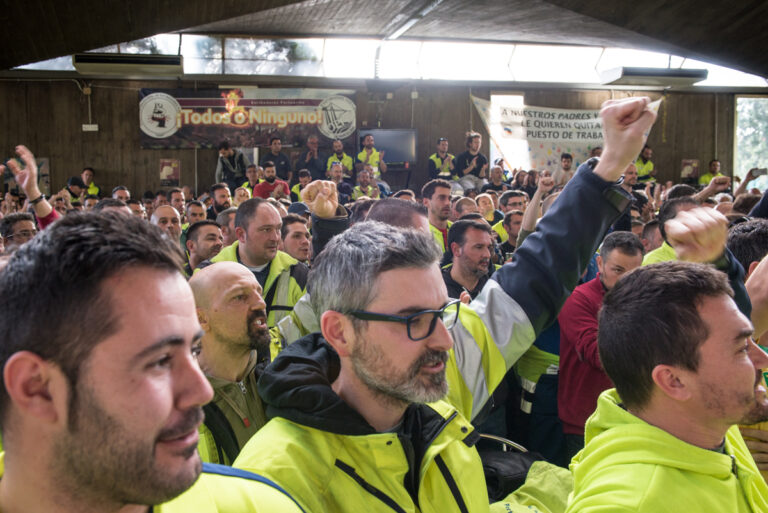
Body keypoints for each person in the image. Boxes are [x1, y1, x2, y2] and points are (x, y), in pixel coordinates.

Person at [233, 96, 659, 512]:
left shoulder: (435, 377)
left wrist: (607, 168)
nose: (445, 339)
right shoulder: (276, 478)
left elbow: (532, 280)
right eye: (414, 320)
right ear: (339, 332)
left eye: (440, 312)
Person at [0, 211, 304, 513]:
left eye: (194, 350)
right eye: (159, 361)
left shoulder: (258, 504)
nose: (203, 392)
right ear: (36, 388)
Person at [566, 261, 768, 512]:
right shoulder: (629, 503)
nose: (763, 360)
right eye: (742, 349)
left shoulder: (706, 421)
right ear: (674, 381)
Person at [558, 231, 646, 459]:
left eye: (634, 272)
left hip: (634, 419)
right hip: (586, 422)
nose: (626, 279)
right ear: (600, 262)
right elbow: (600, 354)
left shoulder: (647, 299)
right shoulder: (578, 300)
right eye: (617, 270)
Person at [189, 262, 271, 465]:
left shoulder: (284, 371)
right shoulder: (182, 404)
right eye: (240, 297)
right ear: (201, 319)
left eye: (258, 292)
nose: (260, 303)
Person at [206, 198, 308, 328]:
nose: (275, 237)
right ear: (241, 234)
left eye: (278, 229)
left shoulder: (299, 274)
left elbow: (309, 333)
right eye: (266, 230)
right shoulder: (208, 274)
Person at [442, 219, 495, 299]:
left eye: (489, 248)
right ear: (456, 249)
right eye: (479, 247)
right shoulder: (438, 292)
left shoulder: (495, 288)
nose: (487, 255)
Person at [421, 178, 453, 252]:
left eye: (449, 198)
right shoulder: (420, 235)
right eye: (441, 198)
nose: (447, 203)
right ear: (426, 202)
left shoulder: (459, 230)